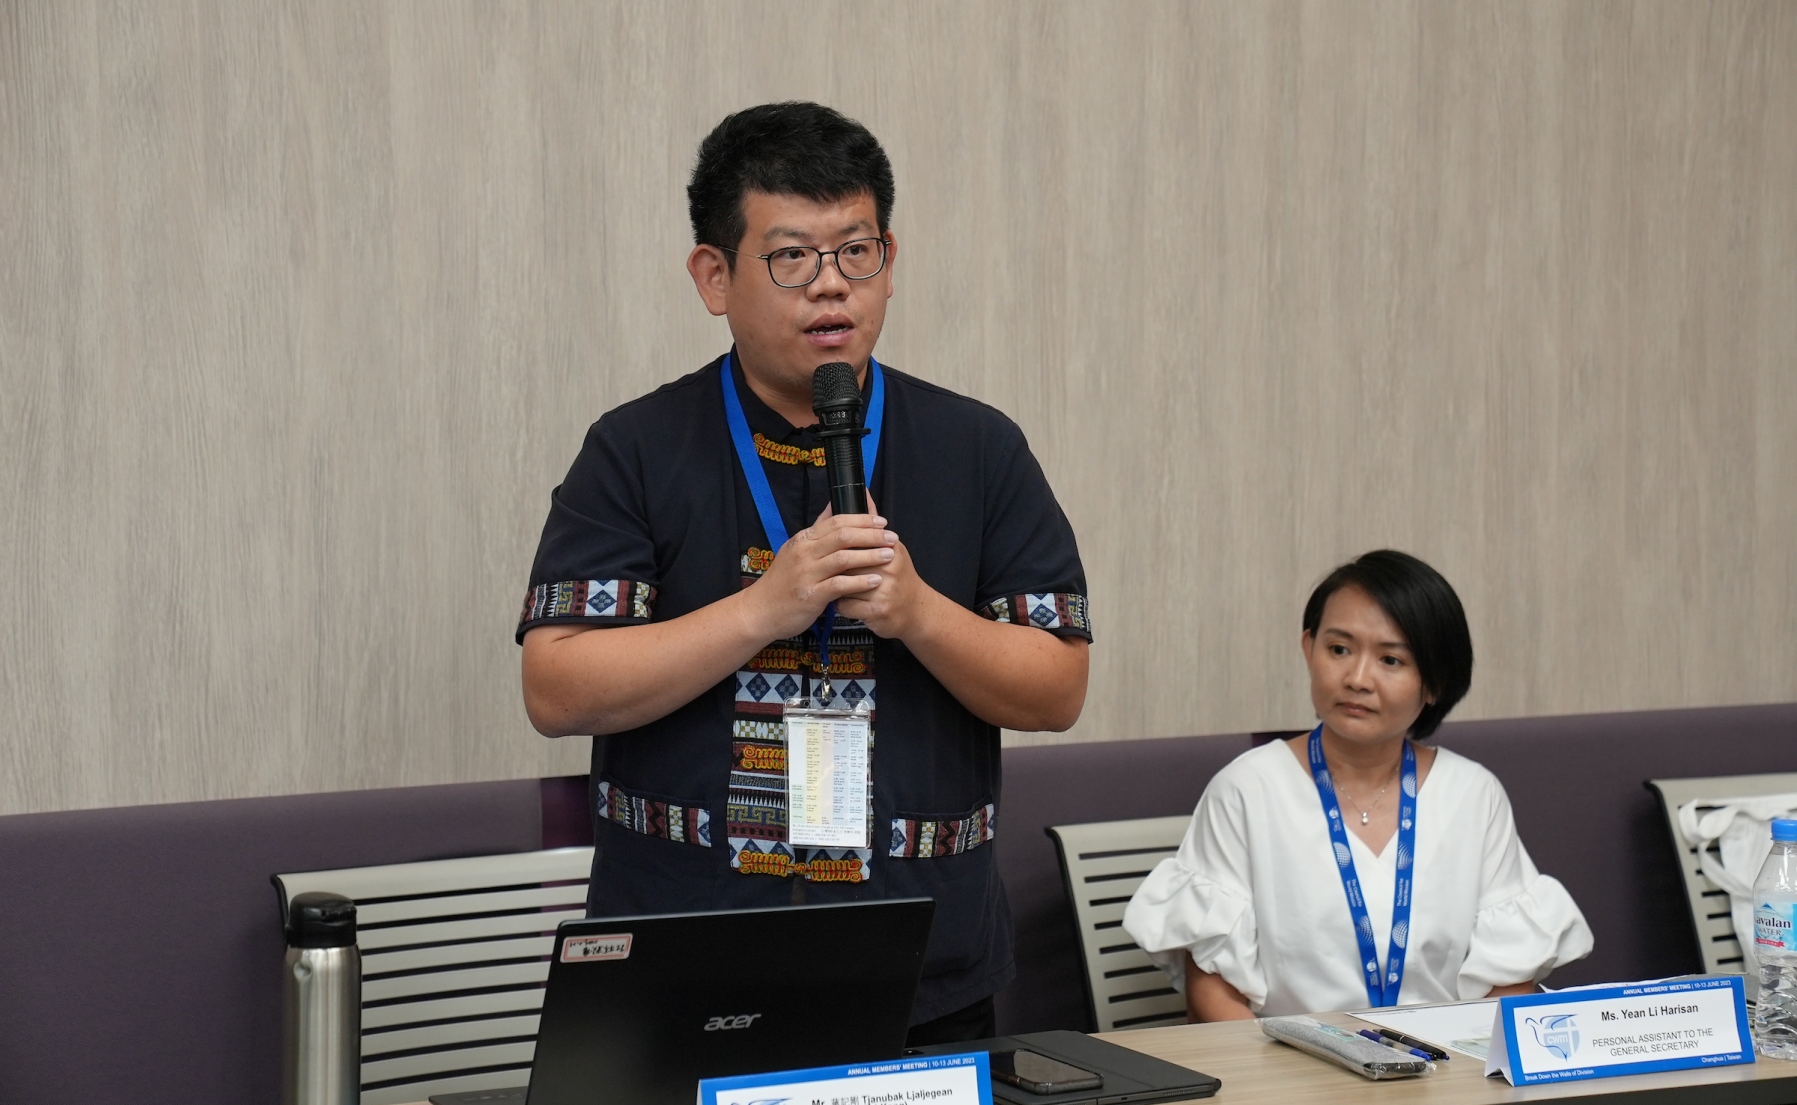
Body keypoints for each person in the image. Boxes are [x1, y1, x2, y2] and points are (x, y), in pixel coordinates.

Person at [516, 102, 1091, 1044]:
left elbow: (1056, 688)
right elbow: (556, 688)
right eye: (791, 257)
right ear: (715, 276)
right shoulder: (636, 449)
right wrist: (761, 610)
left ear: (889, 263)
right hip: (684, 961)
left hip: (921, 964)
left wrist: (919, 613)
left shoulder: (977, 448)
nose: (831, 287)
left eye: (855, 252)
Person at [1123, 550, 1592, 1020]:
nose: (1358, 679)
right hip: (1287, 1060)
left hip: (1444, 1060)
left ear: (1434, 683)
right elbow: (1212, 991)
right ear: (1308, 648)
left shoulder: (1473, 795)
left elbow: (1509, 981)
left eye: (1391, 659)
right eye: (1339, 650)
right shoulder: (1246, 789)